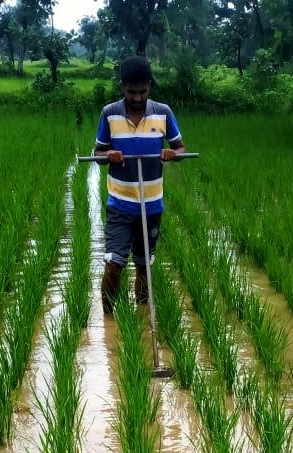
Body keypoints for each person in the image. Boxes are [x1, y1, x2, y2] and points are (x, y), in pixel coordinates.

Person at [93, 56, 187, 314]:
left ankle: (142, 316)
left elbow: (180, 148)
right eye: (131, 92)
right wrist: (108, 155)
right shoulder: (110, 114)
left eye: (142, 91)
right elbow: (97, 154)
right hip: (120, 205)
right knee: (114, 264)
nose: (136, 97)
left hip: (152, 205)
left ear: (149, 86)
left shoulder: (163, 112)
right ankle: (109, 320)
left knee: (144, 264)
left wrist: (171, 153)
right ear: (122, 87)